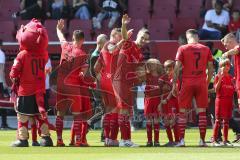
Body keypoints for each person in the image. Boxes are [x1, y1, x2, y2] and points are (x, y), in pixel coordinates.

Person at [10, 19, 53, 147]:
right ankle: (46, 139)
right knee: (41, 115)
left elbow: (13, 74)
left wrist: (14, 79)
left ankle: (23, 139)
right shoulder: (44, 54)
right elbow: (47, 69)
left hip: (26, 91)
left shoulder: (21, 55)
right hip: (40, 89)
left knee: (22, 116)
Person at [111, 14, 150, 147]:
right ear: (137, 36)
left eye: (146, 39)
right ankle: (124, 140)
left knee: (126, 111)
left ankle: (123, 139)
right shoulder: (128, 44)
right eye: (142, 37)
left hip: (128, 83)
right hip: (120, 80)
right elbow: (124, 36)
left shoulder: (139, 55)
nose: (144, 40)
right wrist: (123, 24)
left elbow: (137, 72)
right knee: (124, 111)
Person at [172, 29, 214, 147]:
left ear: (187, 37)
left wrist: (174, 84)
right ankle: (201, 141)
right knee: (201, 112)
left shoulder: (182, 48)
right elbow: (211, 68)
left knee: (182, 112)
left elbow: (176, 68)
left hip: (187, 82)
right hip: (201, 82)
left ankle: (181, 141)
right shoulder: (206, 49)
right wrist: (206, 82)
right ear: (197, 37)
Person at [55, 19, 92, 147]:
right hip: (73, 85)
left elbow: (60, 36)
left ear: (73, 38)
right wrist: (83, 74)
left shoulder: (65, 46)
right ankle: (77, 141)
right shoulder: (82, 54)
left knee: (60, 113)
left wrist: (59, 29)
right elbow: (84, 72)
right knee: (77, 114)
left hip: (60, 85)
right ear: (82, 40)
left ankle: (59, 140)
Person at [212, 58, 234, 147]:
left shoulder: (231, 78)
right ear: (220, 67)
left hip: (228, 101)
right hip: (220, 100)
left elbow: (233, 90)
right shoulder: (218, 76)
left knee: (226, 121)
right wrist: (220, 78)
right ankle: (214, 140)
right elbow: (216, 90)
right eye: (224, 65)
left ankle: (225, 140)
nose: (226, 67)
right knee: (218, 120)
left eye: (228, 65)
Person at [160, 60, 179, 147]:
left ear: (174, 69)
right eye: (166, 69)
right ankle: (171, 141)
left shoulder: (175, 78)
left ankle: (177, 141)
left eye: (170, 69)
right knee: (166, 122)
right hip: (166, 104)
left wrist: (167, 99)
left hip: (173, 103)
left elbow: (173, 91)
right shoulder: (164, 79)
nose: (168, 71)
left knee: (174, 122)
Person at [143, 59, 162, 147]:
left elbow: (163, 91)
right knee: (149, 121)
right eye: (151, 64)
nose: (153, 66)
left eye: (154, 64)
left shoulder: (161, 76)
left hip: (157, 100)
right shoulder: (146, 75)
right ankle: (149, 141)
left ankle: (157, 141)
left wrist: (161, 103)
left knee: (157, 121)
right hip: (148, 100)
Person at [0, 39, 10, 130]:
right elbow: (1, 70)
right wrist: (4, 83)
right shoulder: (1, 54)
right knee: (2, 104)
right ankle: (4, 124)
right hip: (0, 82)